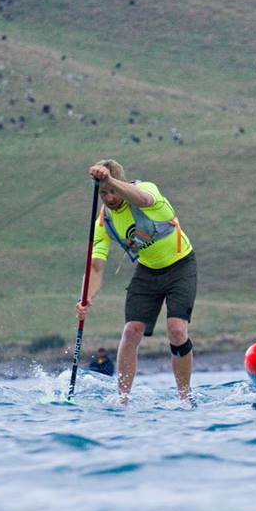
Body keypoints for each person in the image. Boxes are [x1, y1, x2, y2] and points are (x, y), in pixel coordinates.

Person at [75, 160, 197, 405]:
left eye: (112, 190)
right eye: (103, 193)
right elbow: (97, 269)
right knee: (131, 331)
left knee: (176, 329)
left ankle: (185, 398)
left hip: (180, 265)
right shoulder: (104, 221)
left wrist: (109, 180)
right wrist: (85, 299)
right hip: (148, 272)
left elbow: (144, 200)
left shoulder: (146, 190)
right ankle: (123, 401)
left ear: (121, 183)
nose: (109, 197)